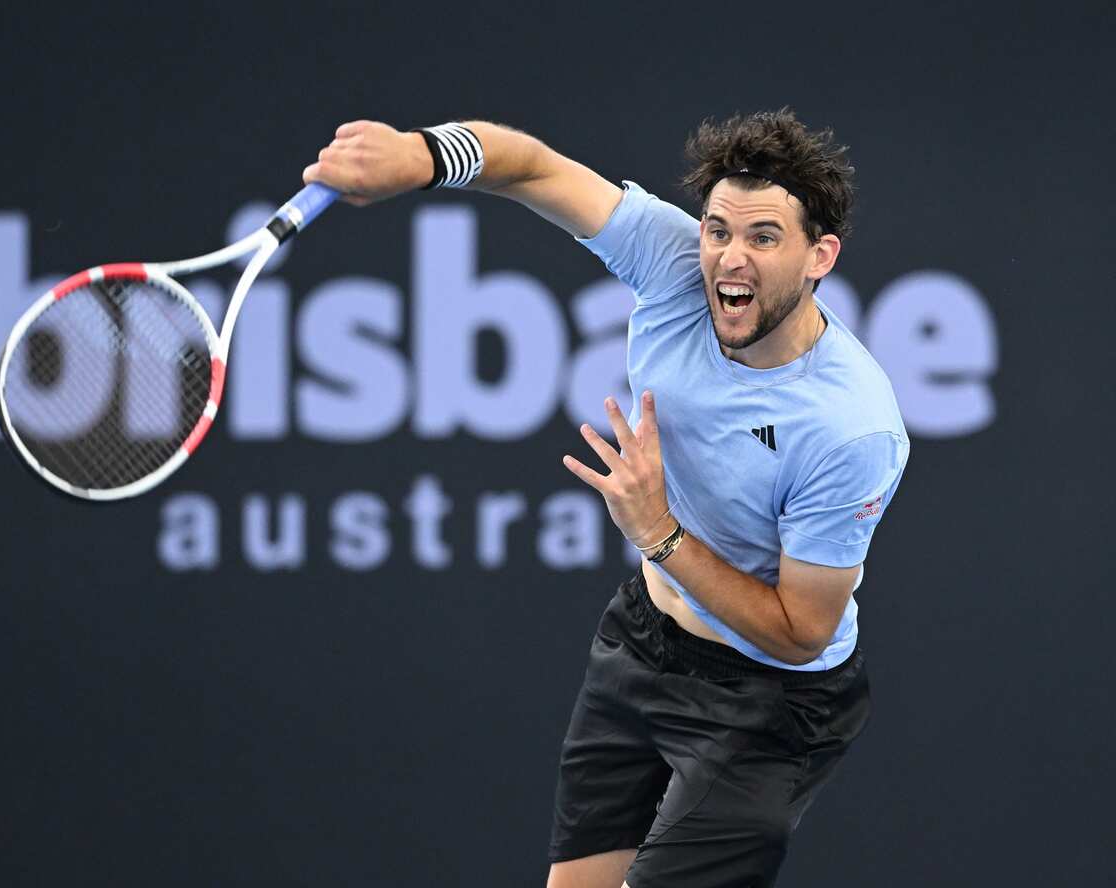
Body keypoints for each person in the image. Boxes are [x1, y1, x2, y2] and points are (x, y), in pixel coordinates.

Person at [303, 110, 909, 888]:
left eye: (764, 238)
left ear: (820, 255)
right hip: (646, 642)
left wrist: (657, 532)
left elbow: (799, 631)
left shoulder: (851, 428)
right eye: (718, 229)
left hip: (774, 705)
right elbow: (531, 167)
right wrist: (418, 156)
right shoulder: (673, 261)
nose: (730, 256)